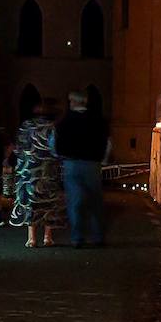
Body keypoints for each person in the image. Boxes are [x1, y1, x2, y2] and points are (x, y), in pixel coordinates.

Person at [54, 90, 111, 248]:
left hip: (71, 164)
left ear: (72, 102)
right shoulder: (98, 120)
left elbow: (57, 145)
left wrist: (60, 157)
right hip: (92, 164)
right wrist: (103, 160)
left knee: (75, 202)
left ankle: (77, 237)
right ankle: (98, 236)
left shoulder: (65, 122)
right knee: (95, 201)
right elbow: (107, 142)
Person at [10, 99, 66, 248]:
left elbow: (18, 149)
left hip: (29, 171)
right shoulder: (53, 127)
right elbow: (56, 150)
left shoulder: (26, 126)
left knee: (31, 203)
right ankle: (48, 237)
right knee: (49, 203)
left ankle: (31, 238)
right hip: (48, 171)